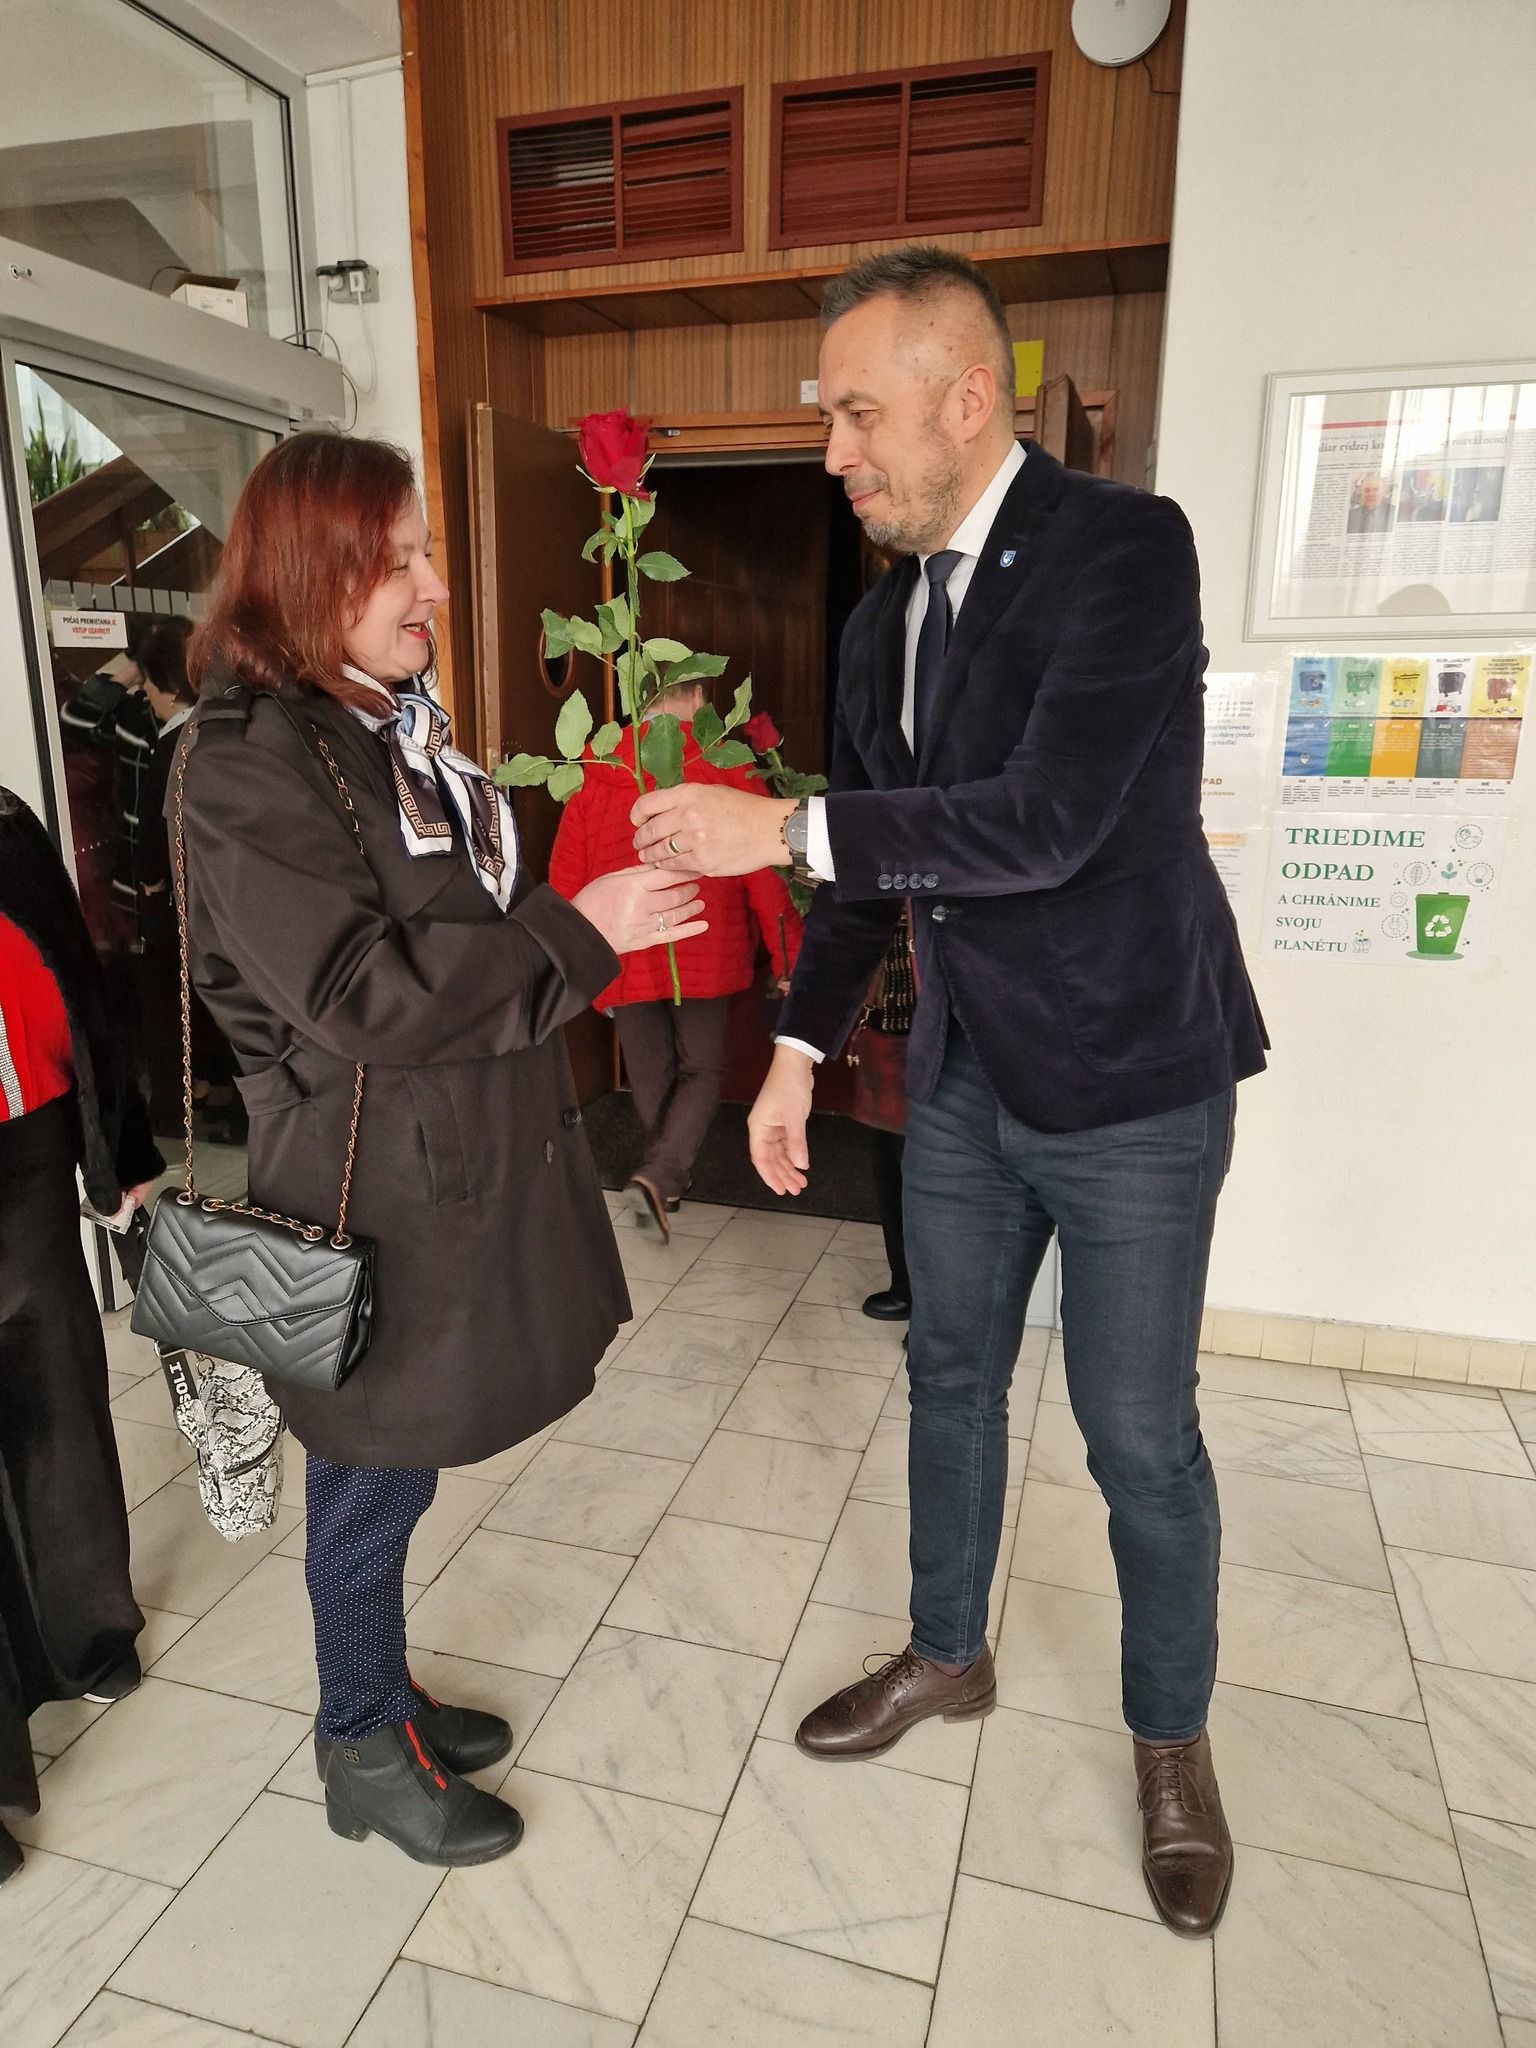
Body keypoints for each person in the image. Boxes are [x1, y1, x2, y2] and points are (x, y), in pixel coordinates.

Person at [630, 246, 1268, 1938]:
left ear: (967, 397)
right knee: (949, 1373)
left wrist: (783, 824)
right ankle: (947, 1651)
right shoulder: (876, 624)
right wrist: (791, 1053)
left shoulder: (1127, 550)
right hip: (970, 1072)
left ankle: (1170, 1742)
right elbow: (864, 883)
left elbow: (1045, 823)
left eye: (857, 413)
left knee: (1138, 1437)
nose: (835, 450)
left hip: (1133, 1080)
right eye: (829, 418)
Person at [177, 430, 705, 1868]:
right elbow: (362, 993)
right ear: (312, 575)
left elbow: (454, 928)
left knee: (397, 1470)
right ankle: (360, 1745)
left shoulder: (377, 729)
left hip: (431, 1177)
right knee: (368, 1479)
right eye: (400, 559)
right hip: (360, 1193)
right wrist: (582, 931)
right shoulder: (248, 761)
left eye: (424, 552)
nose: (434, 587)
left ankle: (384, 1698)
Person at [0, 787, 162, 1887]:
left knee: (57, 1395)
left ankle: (87, 1629)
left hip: (24, 1144)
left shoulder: (5, 824)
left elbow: (80, 985)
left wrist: (125, 1147)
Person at [548, 679, 802, 1241]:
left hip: (624, 949)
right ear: (696, 696)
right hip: (704, 941)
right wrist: (790, 957)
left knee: (649, 1070)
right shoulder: (722, 761)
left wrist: (579, 967)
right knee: (703, 1068)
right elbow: (765, 875)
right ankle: (660, 1176)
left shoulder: (594, 767)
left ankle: (664, 1178)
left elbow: (567, 877)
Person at [134, 618, 242, 1143]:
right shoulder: (223, 734)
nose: (145, 694)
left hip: (183, 905)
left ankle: (183, 1106)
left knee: (177, 1005)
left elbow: (153, 840)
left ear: (170, 687)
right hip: (225, 899)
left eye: (149, 684)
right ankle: (224, 1097)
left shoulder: (171, 747)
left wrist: (151, 880)